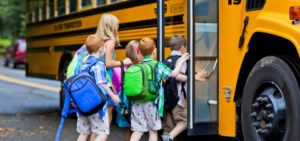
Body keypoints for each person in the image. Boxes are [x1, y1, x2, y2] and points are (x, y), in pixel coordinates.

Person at [129, 37, 190, 141]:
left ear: (140, 52)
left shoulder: (135, 66)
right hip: (152, 103)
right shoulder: (157, 65)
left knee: (138, 131)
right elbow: (174, 74)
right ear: (154, 51)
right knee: (153, 131)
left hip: (137, 102)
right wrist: (181, 61)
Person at [161, 35, 207, 141]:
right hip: (178, 99)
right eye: (185, 47)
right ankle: (169, 137)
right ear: (182, 47)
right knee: (186, 120)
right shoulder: (181, 60)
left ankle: (167, 135)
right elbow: (178, 76)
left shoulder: (167, 60)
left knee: (169, 125)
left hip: (167, 98)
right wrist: (195, 77)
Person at [77, 35, 120, 141]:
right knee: (103, 133)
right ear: (101, 49)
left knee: (83, 133)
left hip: (84, 104)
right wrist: (113, 95)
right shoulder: (99, 64)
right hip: (97, 104)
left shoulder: (84, 64)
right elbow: (102, 83)